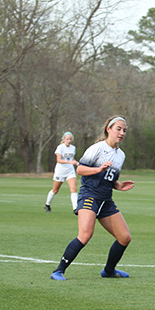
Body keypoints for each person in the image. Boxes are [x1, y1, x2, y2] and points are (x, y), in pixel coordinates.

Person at [50, 116, 135, 281]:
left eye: (124, 130)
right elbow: (80, 169)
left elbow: (110, 178)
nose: (122, 133)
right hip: (89, 196)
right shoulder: (97, 148)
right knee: (85, 235)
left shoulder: (120, 155)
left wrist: (118, 185)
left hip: (106, 200)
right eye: (118, 128)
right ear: (108, 129)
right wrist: (98, 169)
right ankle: (58, 271)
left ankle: (109, 271)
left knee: (125, 237)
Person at [44, 132, 80, 213]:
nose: (69, 141)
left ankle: (75, 208)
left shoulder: (73, 148)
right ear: (63, 139)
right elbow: (59, 160)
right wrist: (70, 162)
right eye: (67, 139)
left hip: (70, 171)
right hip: (60, 171)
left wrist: (77, 163)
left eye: (70, 139)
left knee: (73, 189)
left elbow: (72, 159)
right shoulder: (60, 147)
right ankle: (47, 204)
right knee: (55, 190)